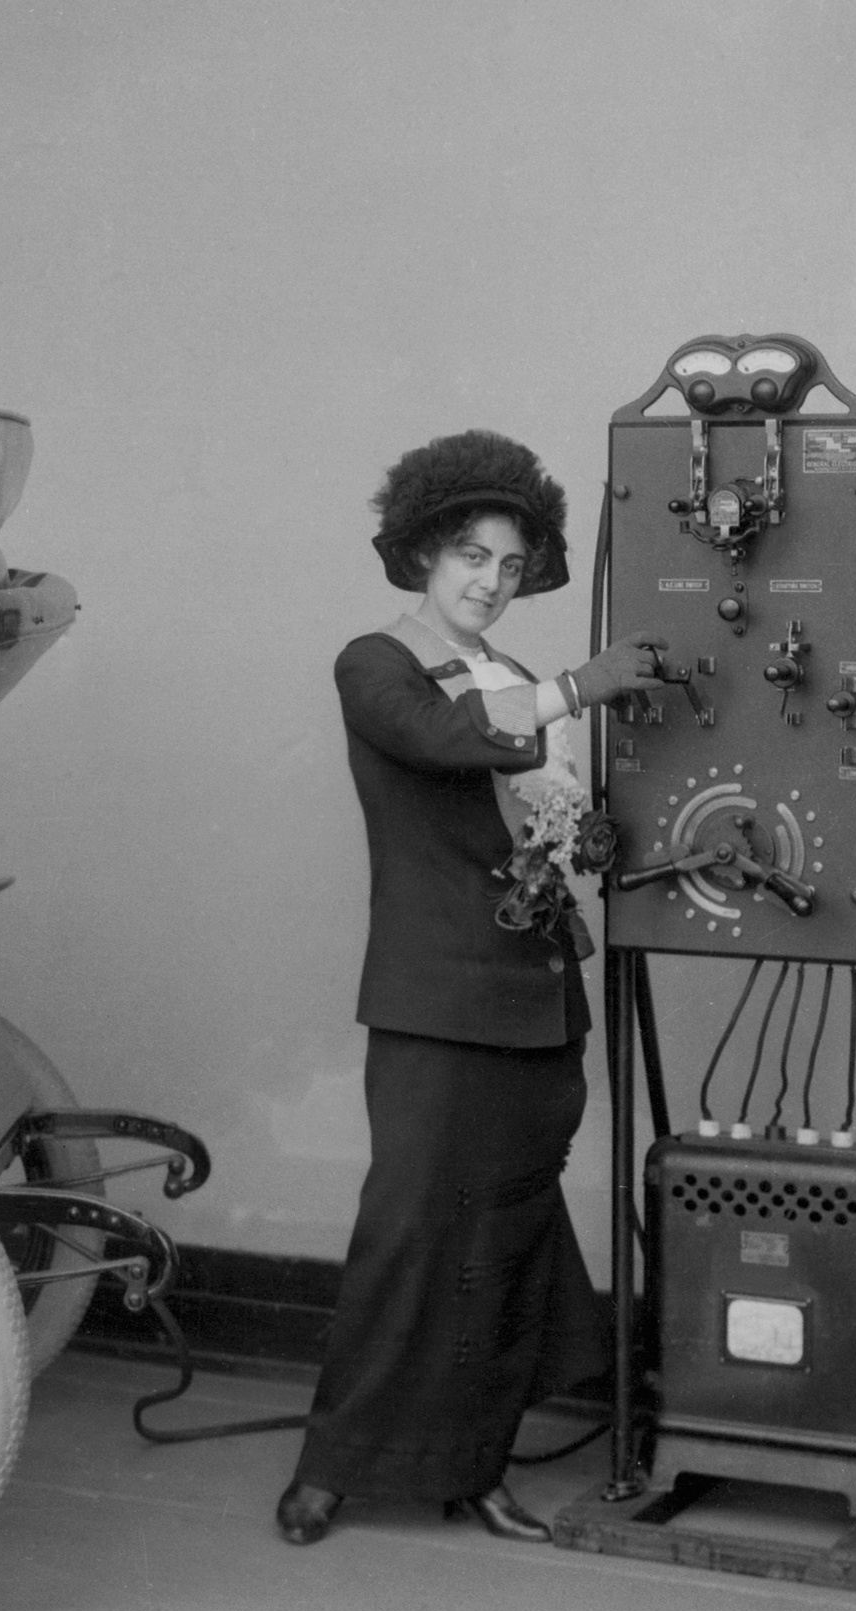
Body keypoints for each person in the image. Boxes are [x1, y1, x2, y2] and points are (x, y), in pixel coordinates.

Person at [274, 429, 665, 1547]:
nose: (490, 581)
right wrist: (575, 690)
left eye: (507, 562)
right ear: (420, 559)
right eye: (468, 558)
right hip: (436, 1001)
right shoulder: (376, 663)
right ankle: (331, 1468)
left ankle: (475, 1466)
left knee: (510, 1237)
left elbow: (552, 818)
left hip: (539, 1000)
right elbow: (443, 742)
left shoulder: (510, 678)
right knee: (407, 1234)